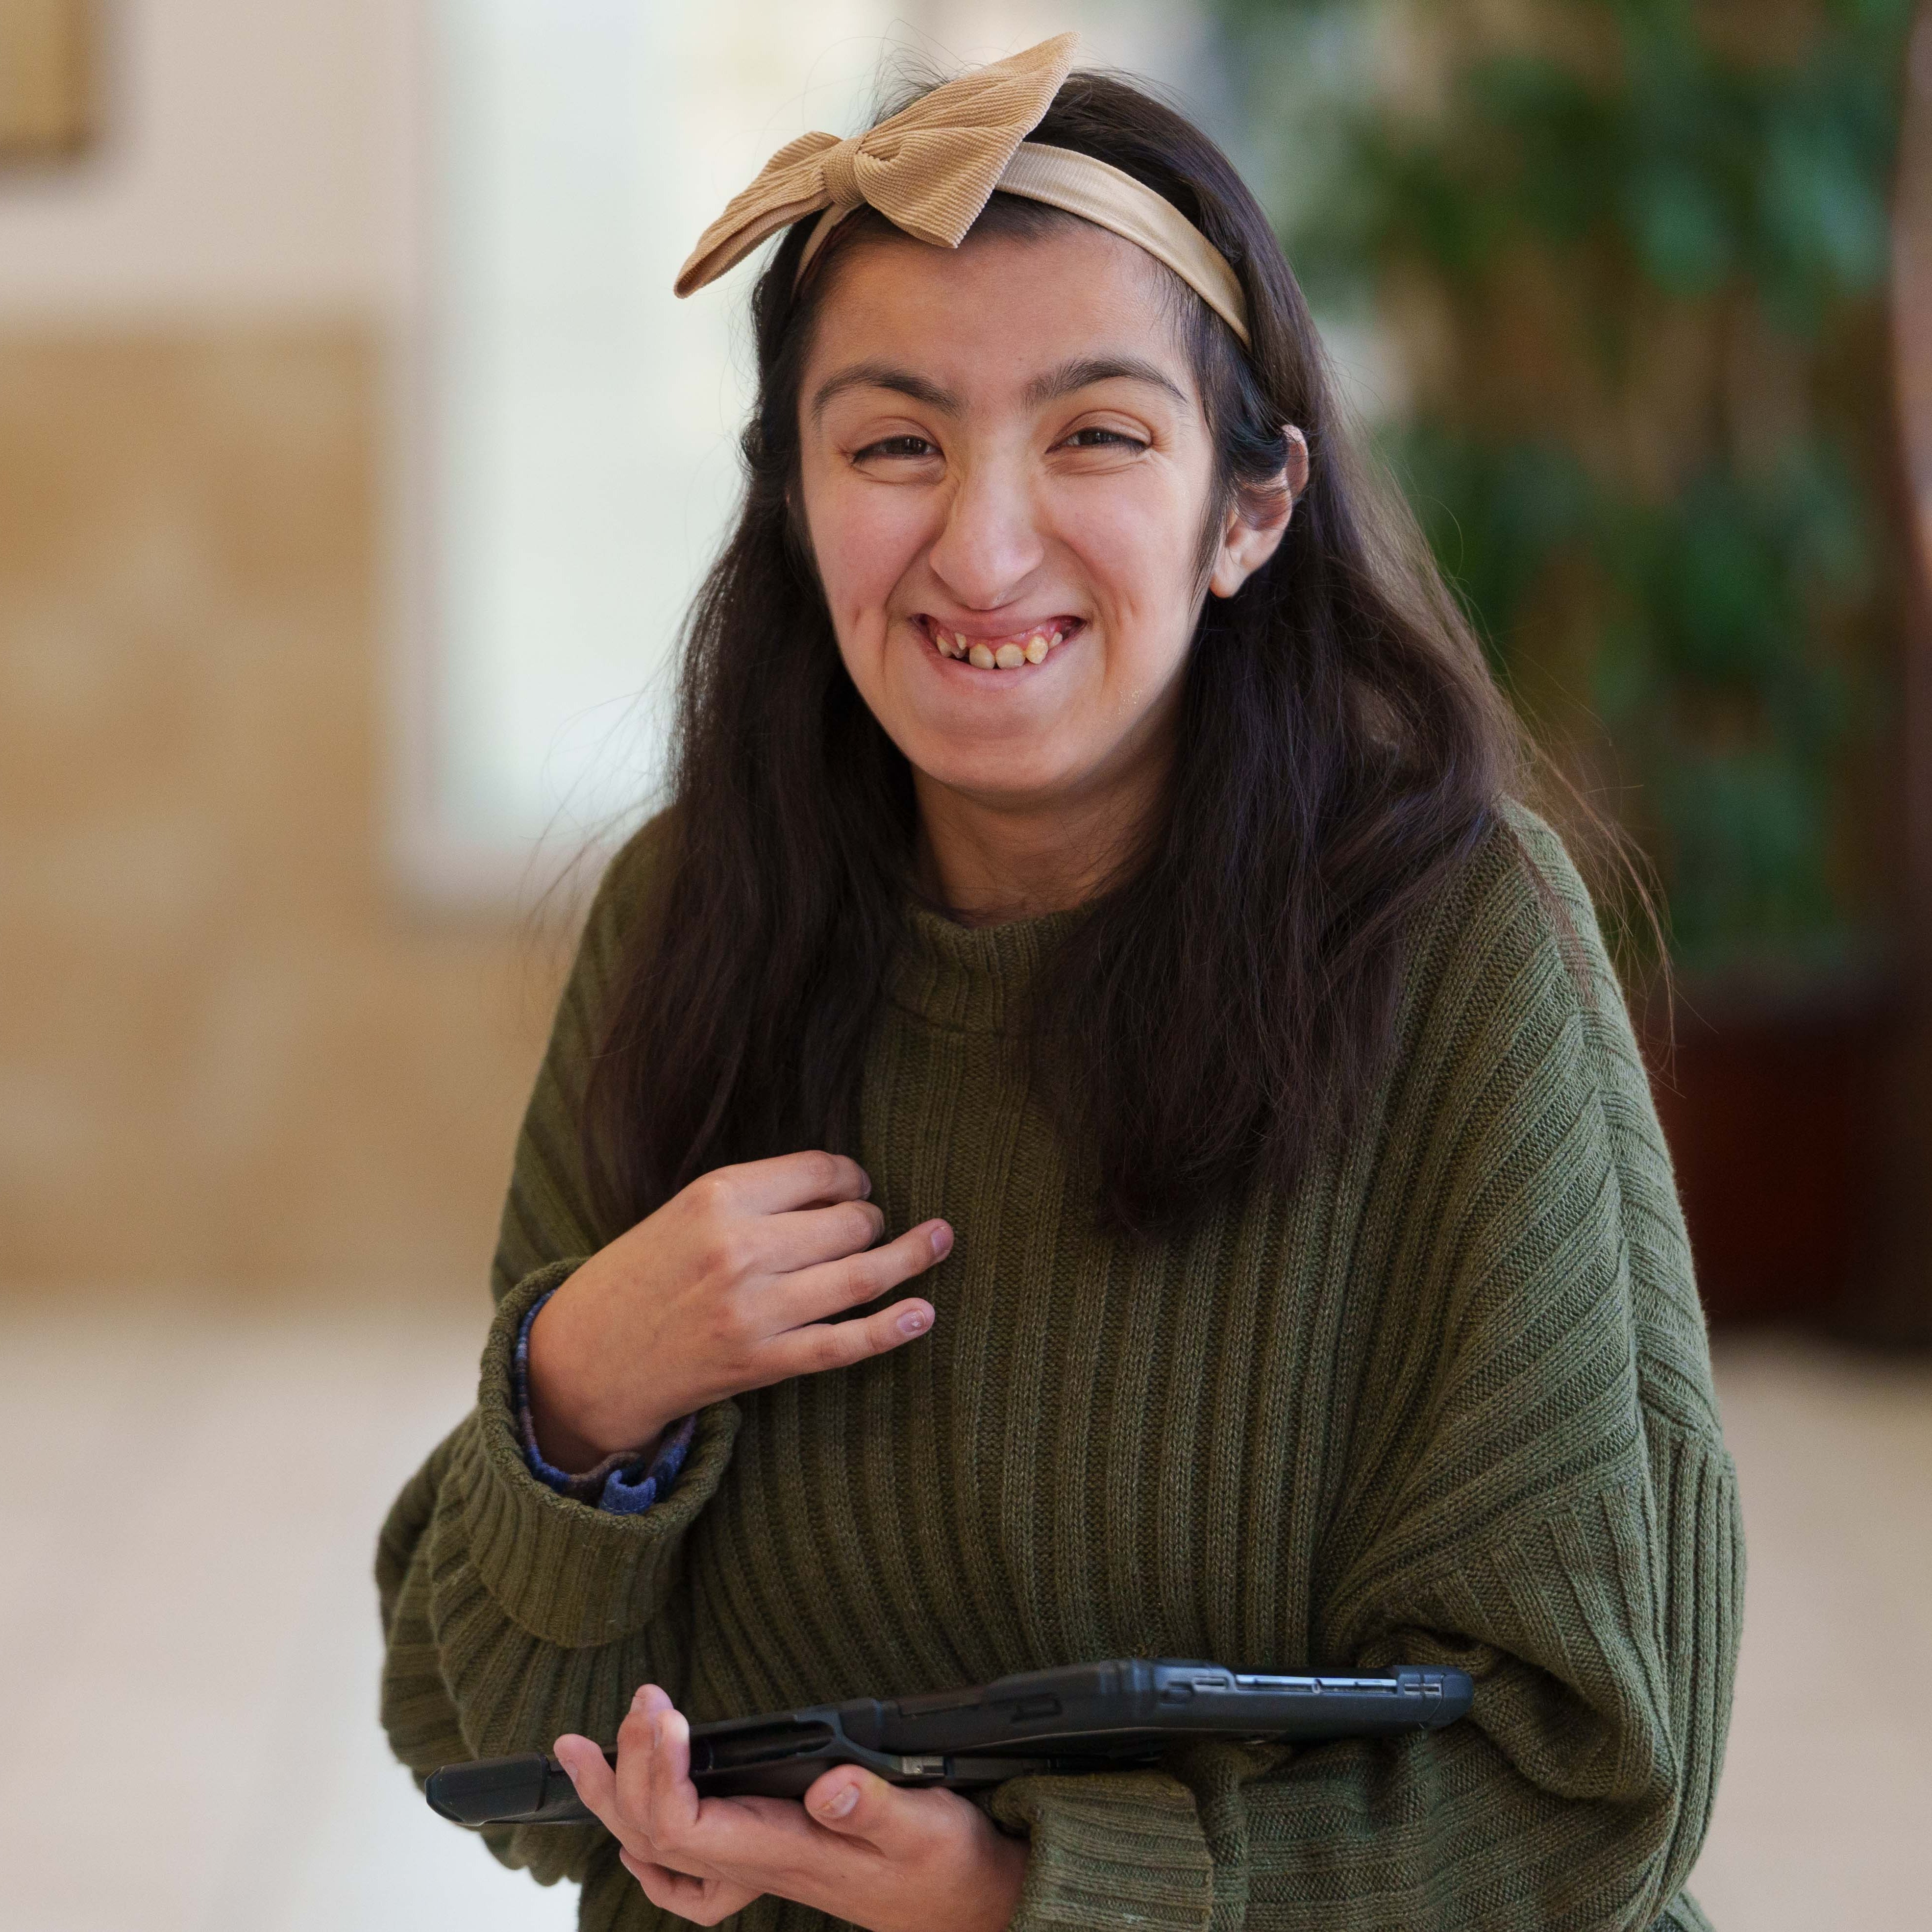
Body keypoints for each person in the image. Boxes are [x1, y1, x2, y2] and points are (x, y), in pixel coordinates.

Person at [377, 35, 1740, 1932]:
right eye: (892, 443)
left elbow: (1599, 1776)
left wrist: (1035, 1893)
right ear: (790, 495)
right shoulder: (686, 913)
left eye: (1095, 433)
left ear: (1248, 506)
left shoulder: (1453, 935)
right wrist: (579, 1395)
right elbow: (486, 1755)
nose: (982, 542)